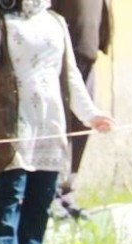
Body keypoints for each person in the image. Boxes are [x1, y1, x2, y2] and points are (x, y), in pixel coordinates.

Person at [0, 0, 114, 244]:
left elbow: (70, 75)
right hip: (13, 121)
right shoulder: (1, 18)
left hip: (50, 122)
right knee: (10, 191)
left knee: (41, 194)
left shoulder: (54, 21)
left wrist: (91, 115)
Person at [49, 0, 112, 220]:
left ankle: (67, 193)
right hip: (61, 54)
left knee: (82, 127)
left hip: (87, 50)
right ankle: (51, 194)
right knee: (60, 127)